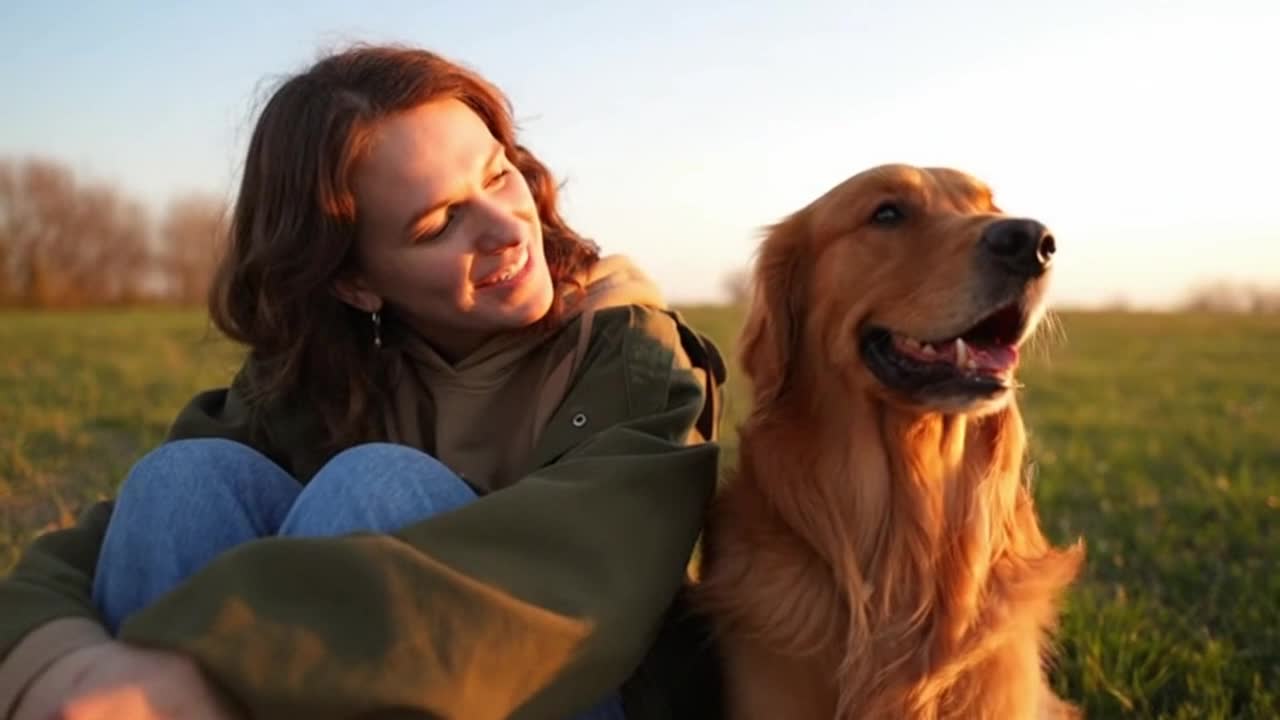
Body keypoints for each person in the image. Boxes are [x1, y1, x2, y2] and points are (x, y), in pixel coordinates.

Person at [0, 44, 728, 720]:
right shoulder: (321, 369)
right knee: (182, 479)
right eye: (440, 222)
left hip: (570, 689)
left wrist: (215, 666)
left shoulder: (630, 347)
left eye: (498, 174)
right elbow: (84, 555)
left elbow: (585, 572)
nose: (507, 228)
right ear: (353, 282)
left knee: (373, 485)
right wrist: (58, 667)